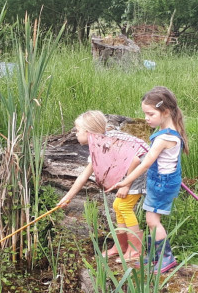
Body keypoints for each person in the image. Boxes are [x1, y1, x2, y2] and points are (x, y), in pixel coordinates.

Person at [109, 86, 188, 274]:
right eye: (145, 113)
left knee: (153, 221)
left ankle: (165, 259)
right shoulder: (168, 131)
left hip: (162, 183)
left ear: (166, 111)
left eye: (150, 114)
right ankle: (154, 256)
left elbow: (145, 165)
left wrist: (125, 181)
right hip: (160, 181)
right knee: (151, 219)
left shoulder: (165, 137)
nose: (146, 118)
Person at [57, 110, 149, 262]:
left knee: (124, 207)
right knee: (118, 205)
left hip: (142, 169)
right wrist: (67, 198)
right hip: (133, 170)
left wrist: (126, 185)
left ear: (87, 132)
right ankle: (121, 246)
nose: (75, 134)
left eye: (77, 130)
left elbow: (135, 160)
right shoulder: (98, 144)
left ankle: (135, 251)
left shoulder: (108, 143)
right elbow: (83, 176)